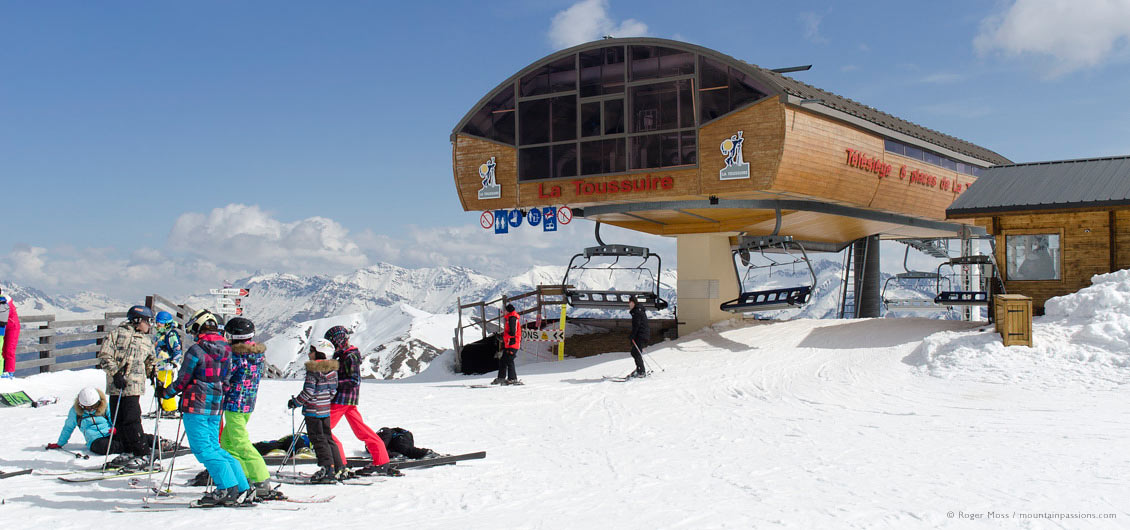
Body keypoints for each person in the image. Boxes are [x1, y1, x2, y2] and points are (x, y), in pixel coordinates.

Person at [156, 309, 252, 506]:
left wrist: (165, 393)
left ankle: (226, 488)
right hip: (215, 406)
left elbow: (182, 380)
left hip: (195, 406)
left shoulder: (196, 350)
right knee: (215, 448)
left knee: (204, 450)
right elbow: (227, 379)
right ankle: (242, 487)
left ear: (199, 328)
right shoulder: (227, 349)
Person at [323, 325, 399, 477]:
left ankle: (339, 463)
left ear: (338, 341)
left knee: (323, 430)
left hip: (342, 400)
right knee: (362, 431)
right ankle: (381, 461)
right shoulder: (345, 354)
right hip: (348, 401)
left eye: (332, 343)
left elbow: (354, 380)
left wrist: (333, 383)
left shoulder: (349, 357)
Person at [219, 316, 277, 499]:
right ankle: (241, 476)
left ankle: (261, 478)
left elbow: (226, 377)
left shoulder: (236, 356)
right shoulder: (256, 355)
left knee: (240, 442)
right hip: (247, 403)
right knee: (228, 443)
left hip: (234, 403)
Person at [96, 305, 157, 461]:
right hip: (117, 386)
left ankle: (141, 451)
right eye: (148, 321)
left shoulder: (146, 341)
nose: (150, 325)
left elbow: (150, 361)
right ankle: (128, 449)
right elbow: (104, 355)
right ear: (137, 320)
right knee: (118, 420)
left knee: (132, 419)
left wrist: (155, 377)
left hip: (133, 387)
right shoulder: (116, 335)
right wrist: (115, 373)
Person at [47, 387, 171, 457]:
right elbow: (68, 427)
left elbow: (114, 418)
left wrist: (115, 428)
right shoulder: (75, 412)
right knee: (102, 447)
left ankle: (159, 442)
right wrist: (60, 443)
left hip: (111, 433)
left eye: (93, 406)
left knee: (131, 434)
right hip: (95, 440)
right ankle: (133, 449)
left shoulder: (105, 406)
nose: (91, 409)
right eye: (87, 407)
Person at [288, 338, 343, 484]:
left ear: (320, 353)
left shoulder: (314, 371)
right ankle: (338, 467)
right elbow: (333, 391)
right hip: (325, 410)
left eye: (312, 351)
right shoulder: (333, 370)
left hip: (313, 411)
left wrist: (295, 402)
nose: (309, 354)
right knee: (327, 437)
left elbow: (308, 392)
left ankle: (327, 469)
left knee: (318, 440)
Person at [153, 311, 182, 417]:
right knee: (157, 385)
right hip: (159, 364)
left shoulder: (171, 334)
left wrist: (174, 361)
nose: (158, 324)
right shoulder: (160, 334)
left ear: (167, 323)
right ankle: (161, 407)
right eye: (157, 322)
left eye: (160, 322)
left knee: (165, 385)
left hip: (166, 365)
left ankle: (170, 408)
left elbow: (177, 348)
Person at [491, 304, 521, 385]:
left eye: (505, 310)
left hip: (513, 343)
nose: (503, 312)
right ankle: (501, 378)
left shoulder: (512, 318)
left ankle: (512, 379)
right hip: (509, 343)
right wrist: (501, 337)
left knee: (509, 360)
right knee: (503, 360)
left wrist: (503, 337)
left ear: (508, 311)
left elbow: (512, 332)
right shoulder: (510, 318)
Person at [627, 298, 650, 378]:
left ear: (633, 303)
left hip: (641, 335)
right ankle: (639, 369)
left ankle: (641, 371)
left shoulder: (637, 312)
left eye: (629, 302)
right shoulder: (637, 310)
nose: (628, 304)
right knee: (634, 352)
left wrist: (632, 336)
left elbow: (637, 326)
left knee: (636, 352)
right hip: (641, 335)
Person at [0, 288, 20, 378]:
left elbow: (5, 312)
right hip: (3, 327)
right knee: (3, 350)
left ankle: (9, 372)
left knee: (9, 350)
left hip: (12, 327)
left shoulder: (5, 300)